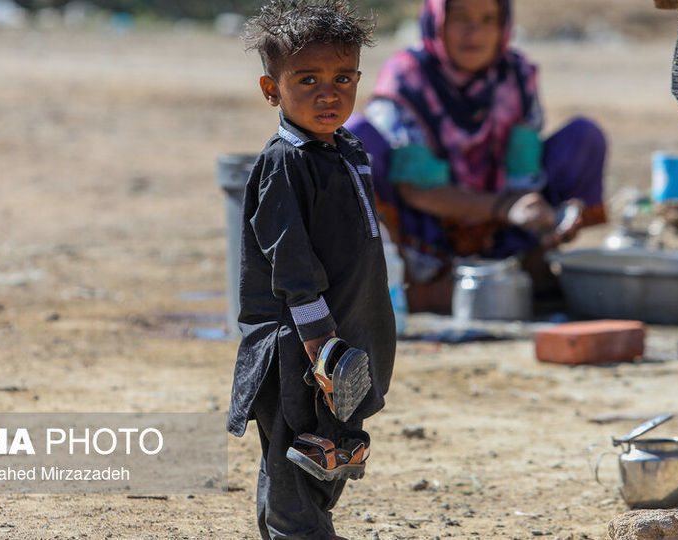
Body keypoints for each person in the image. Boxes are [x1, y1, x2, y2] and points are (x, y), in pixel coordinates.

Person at [228, 1, 396, 539]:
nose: (330, 93)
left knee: (335, 445)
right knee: (292, 450)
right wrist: (322, 347)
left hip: (351, 329)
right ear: (270, 89)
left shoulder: (348, 149)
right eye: (308, 79)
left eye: (343, 77)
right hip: (299, 342)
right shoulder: (284, 162)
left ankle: (307, 527)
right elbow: (291, 262)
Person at [346, 0, 608, 312]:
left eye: (488, 20)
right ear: (436, 22)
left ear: (503, 27)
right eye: (461, 18)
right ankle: (412, 287)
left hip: (503, 224)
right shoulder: (407, 76)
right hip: (425, 226)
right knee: (357, 138)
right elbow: (415, 187)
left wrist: (545, 216)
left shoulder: (516, 74)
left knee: (583, 136)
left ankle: (529, 265)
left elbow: (523, 171)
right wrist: (504, 206)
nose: (475, 32)